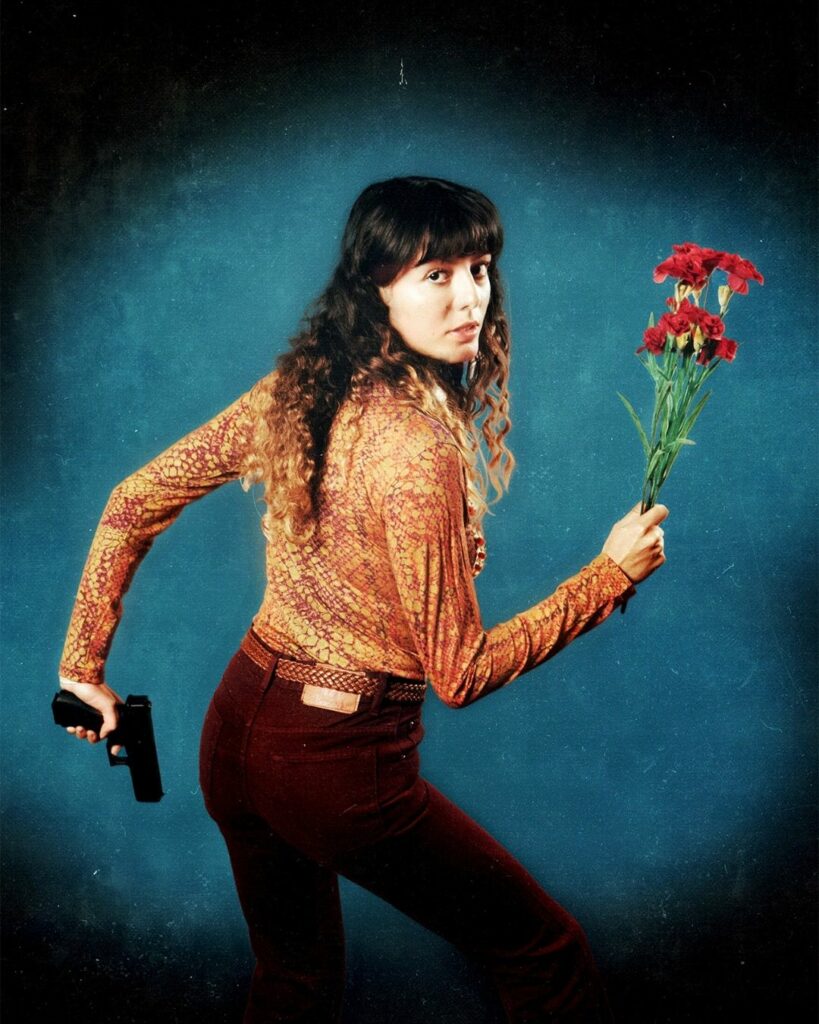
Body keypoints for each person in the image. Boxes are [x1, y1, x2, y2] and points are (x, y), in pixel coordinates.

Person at [59, 175, 668, 1022]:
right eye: (435, 275)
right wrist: (608, 576)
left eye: (479, 269)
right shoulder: (417, 450)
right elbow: (459, 672)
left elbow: (130, 503)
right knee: (545, 955)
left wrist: (81, 669)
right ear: (377, 286)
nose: (470, 299)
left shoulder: (300, 388)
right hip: (335, 763)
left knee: (294, 985)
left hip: (235, 734)